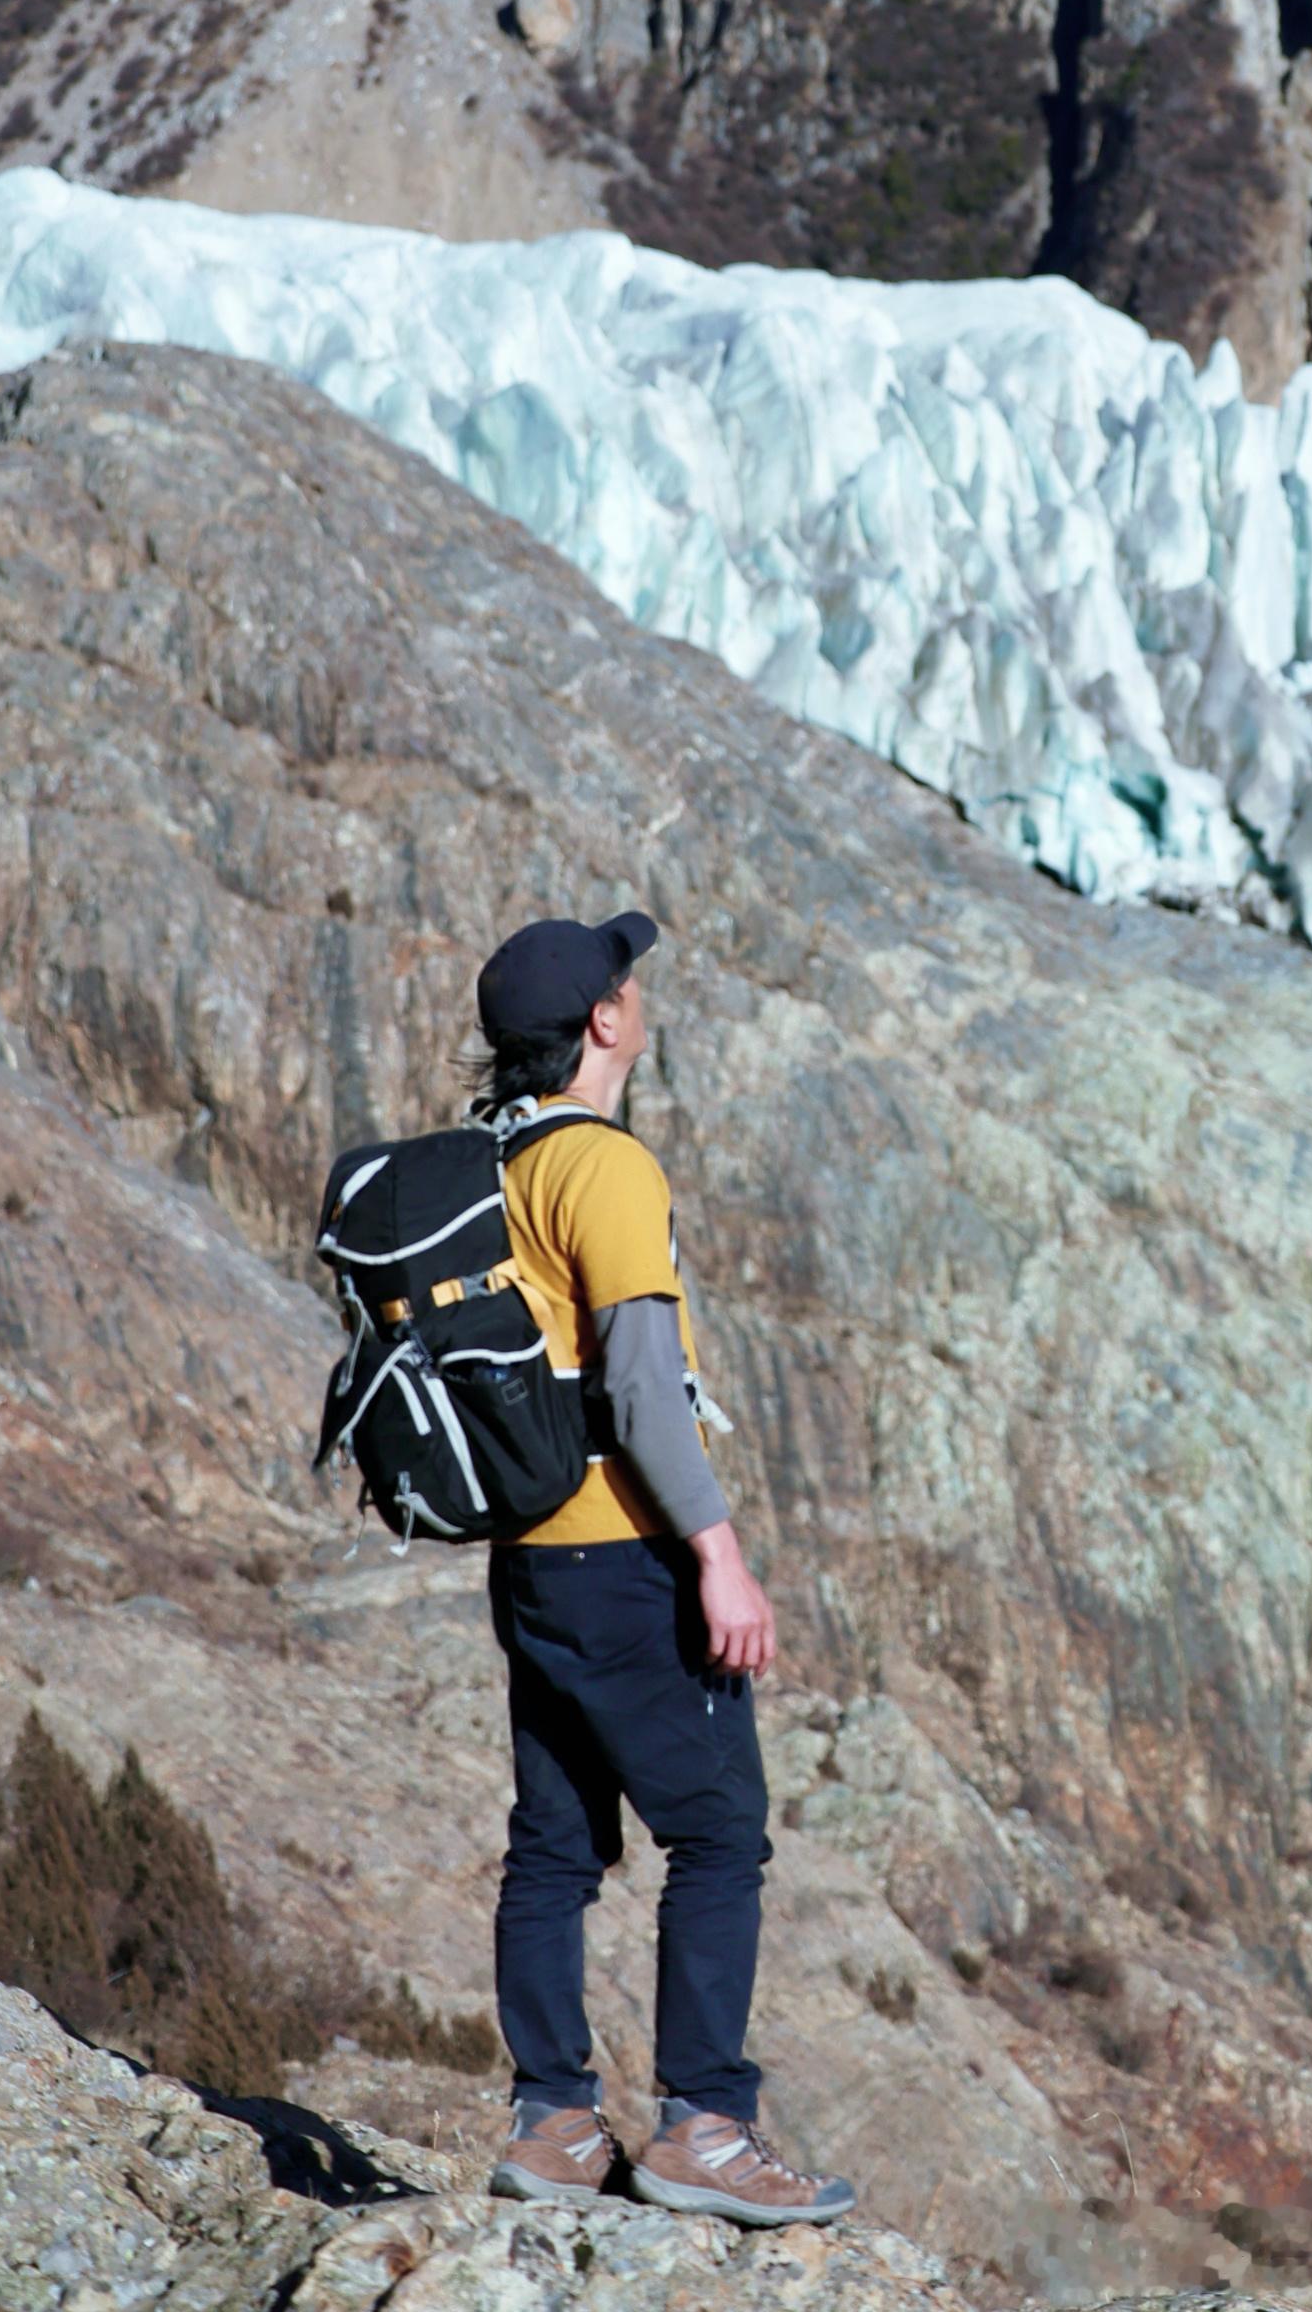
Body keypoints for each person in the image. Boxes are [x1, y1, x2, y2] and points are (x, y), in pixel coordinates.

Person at [471, 905, 854, 2229]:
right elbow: (640, 1389)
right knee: (718, 1836)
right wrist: (720, 1556)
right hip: (624, 1552)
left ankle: (552, 2122)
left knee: (555, 1845)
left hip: (527, 1558)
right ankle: (704, 2125)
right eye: (627, 983)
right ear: (605, 1022)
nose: (638, 997)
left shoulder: (491, 1158)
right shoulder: (606, 1168)